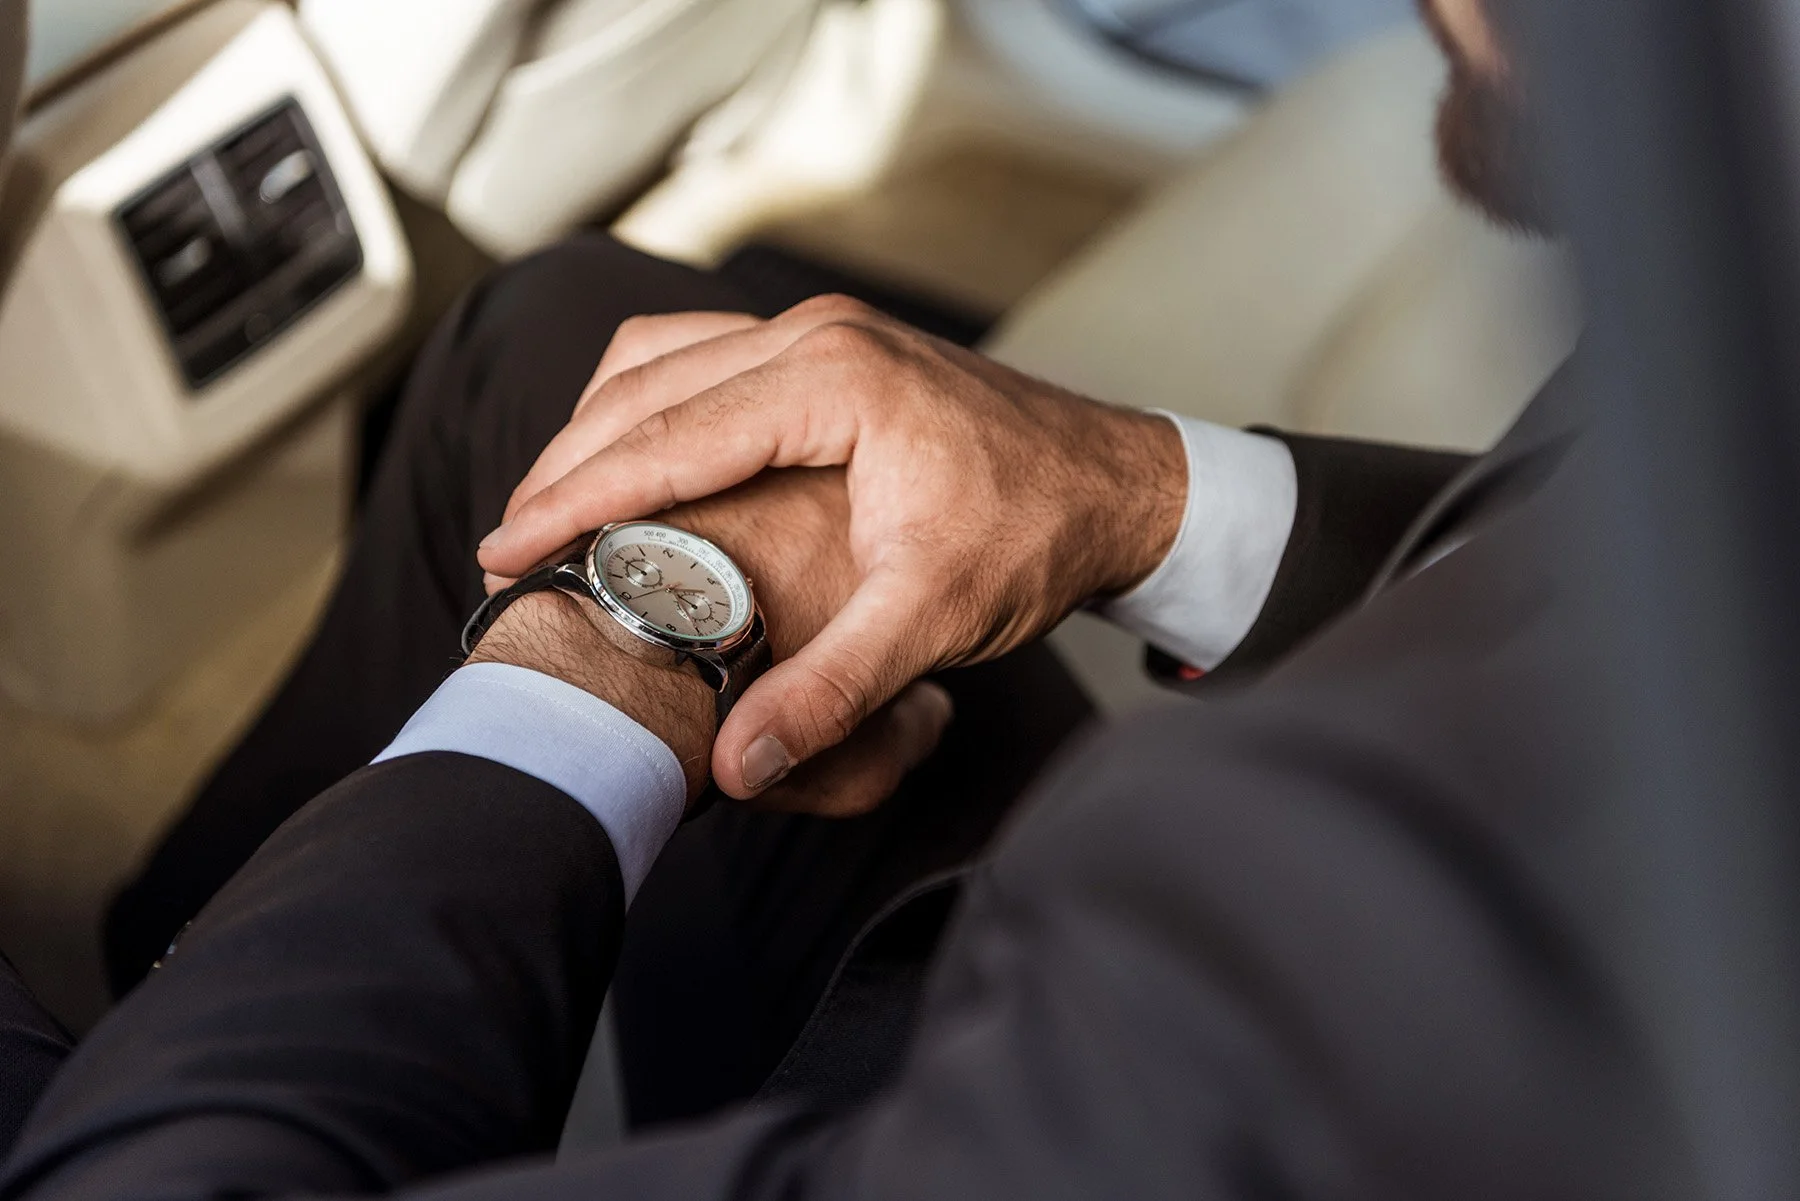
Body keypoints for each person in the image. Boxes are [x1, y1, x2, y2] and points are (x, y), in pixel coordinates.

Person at [0, 0, 1694, 1196]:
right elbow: (1567, 564)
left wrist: (611, 650)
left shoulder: (1327, 1032)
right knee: (575, 336)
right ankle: (191, 958)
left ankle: (204, 1040)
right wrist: (1139, 495)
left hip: (1014, 1066)